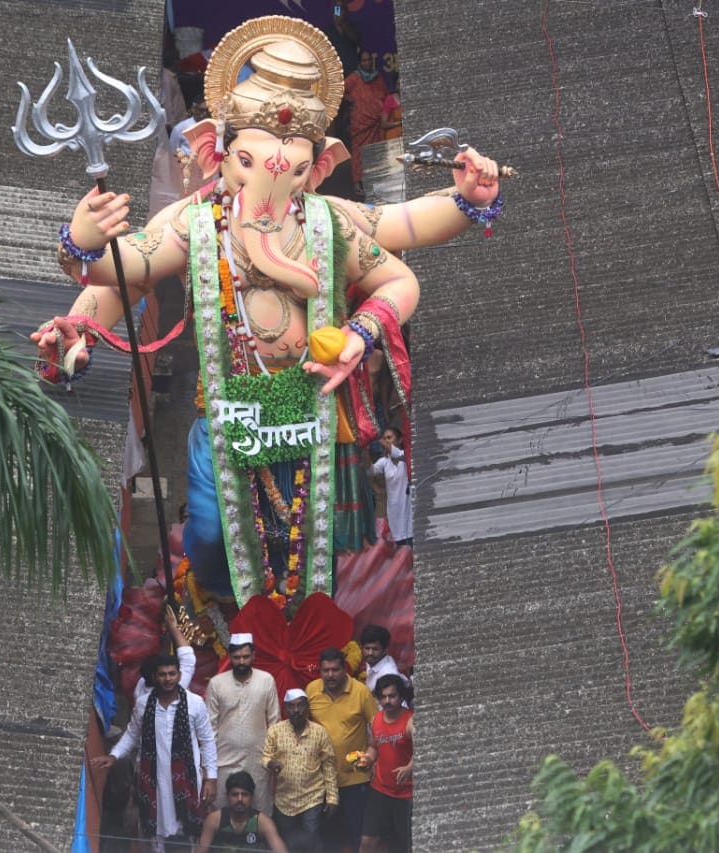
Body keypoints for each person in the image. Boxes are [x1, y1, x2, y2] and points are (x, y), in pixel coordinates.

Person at [31, 16, 502, 614]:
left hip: (309, 409)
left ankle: (295, 634)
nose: (270, 190)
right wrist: (81, 243)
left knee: (311, 548)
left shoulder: (327, 222)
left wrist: (467, 203)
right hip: (230, 413)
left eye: (295, 170)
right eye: (249, 163)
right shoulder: (195, 225)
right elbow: (125, 271)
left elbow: (400, 231)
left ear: (318, 166)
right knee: (209, 534)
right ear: (217, 155)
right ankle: (228, 600)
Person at [93, 653, 218, 849]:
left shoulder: (195, 704)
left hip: (187, 781)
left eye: (172, 674)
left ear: (178, 675)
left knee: (189, 831)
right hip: (154, 781)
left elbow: (208, 740)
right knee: (155, 830)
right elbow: (132, 734)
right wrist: (114, 755)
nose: (168, 679)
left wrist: (211, 777)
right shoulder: (144, 704)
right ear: (154, 676)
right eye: (162, 674)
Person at [307, 647, 378, 852]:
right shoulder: (312, 690)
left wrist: (372, 756)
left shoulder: (360, 692)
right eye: (325, 670)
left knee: (358, 834)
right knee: (329, 838)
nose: (330, 675)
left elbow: (378, 727)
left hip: (356, 778)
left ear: (344, 669)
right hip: (322, 780)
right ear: (320, 671)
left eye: (335, 670)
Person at [204, 632, 280, 811]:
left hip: (258, 761)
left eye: (246, 656)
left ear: (254, 656)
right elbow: (210, 728)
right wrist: (209, 768)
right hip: (224, 761)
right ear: (229, 657)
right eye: (237, 657)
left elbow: (275, 722)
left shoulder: (266, 680)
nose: (242, 662)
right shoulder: (216, 683)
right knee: (222, 810)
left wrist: (271, 758)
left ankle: (261, 840)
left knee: (260, 811)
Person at [262, 689, 338, 853]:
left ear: (307, 707)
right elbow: (265, 756)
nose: (296, 710)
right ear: (285, 709)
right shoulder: (275, 731)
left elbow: (329, 766)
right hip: (284, 800)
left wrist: (332, 798)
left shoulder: (320, 732)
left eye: (300, 705)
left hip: (312, 797)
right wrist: (270, 763)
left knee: (312, 841)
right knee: (284, 842)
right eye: (291, 706)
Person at [360, 676, 413, 853]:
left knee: (404, 845)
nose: (387, 701)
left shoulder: (410, 721)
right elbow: (373, 747)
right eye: (383, 697)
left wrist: (409, 767)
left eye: (392, 696)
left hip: (406, 793)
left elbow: (425, 749)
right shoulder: (376, 720)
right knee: (367, 841)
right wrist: (366, 759)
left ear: (401, 697)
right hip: (380, 789)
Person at [193, 771, 288, 853]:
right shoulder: (214, 820)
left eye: (245, 795)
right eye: (235, 794)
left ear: (252, 797)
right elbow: (201, 850)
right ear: (228, 796)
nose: (240, 799)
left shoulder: (263, 822)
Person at [343, 49, 391, 198]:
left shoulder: (377, 77)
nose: (368, 62)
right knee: (359, 153)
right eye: (364, 60)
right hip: (361, 124)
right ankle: (358, 184)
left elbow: (385, 94)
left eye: (369, 59)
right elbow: (340, 89)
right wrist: (351, 99)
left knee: (377, 151)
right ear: (360, 63)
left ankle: (376, 181)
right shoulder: (354, 78)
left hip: (377, 123)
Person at [366, 427, 412, 546]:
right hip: (394, 511)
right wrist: (365, 452)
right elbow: (371, 472)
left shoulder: (406, 455)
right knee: (401, 546)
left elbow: (396, 453)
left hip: (409, 508)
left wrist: (377, 437)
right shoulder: (384, 462)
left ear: (400, 440)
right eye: (385, 438)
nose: (386, 441)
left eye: (389, 438)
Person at [359, 624, 402, 694]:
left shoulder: (388, 673)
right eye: (367, 648)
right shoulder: (372, 660)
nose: (370, 653)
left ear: (385, 650)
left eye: (375, 649)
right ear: (361, 648)